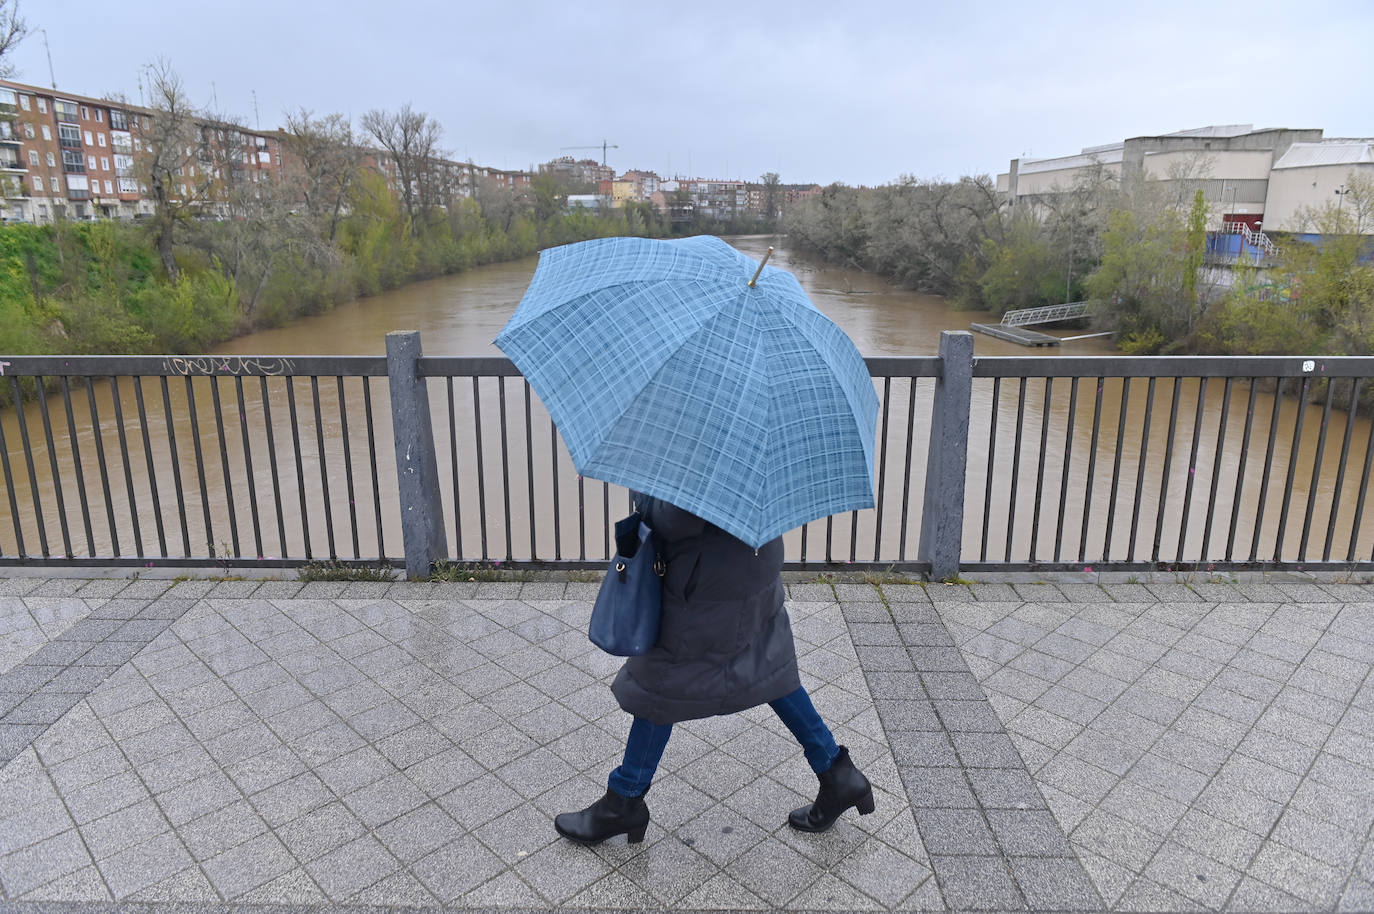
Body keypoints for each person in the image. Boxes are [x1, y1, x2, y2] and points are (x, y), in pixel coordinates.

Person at [554, 493, 874, 845]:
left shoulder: (701, 448)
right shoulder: (759, 444)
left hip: (709, 581)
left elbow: (677, 519)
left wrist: (645, 499)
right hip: (756, 562)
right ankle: (837, 772)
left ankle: (624, 801)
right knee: (769, 668)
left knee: (659, 684)